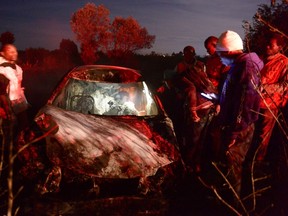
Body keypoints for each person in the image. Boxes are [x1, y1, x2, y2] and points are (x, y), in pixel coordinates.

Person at [215, 30, 264, 196]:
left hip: (241, 126)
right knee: (230, 162)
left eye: (219, 54)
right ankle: (230, 195)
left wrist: (235, 131)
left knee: (233, 162)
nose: (219, 58)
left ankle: (234, 203)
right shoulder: (239, 66)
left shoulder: (247, 68)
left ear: (228, 52)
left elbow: (245, 102)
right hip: (236, 123)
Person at [173, 45, 217, 172]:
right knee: (188, 130)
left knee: (202, 134)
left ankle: (200, 160)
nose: (188, 55)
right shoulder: (180, 65)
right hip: (186, 94)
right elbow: (176, 79)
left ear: (194, 54)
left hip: (203, 97)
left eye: (191, 53)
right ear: (183, 54)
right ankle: (187, 159)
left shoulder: (201, 65)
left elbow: (205, 79)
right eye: (186, 53)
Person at [248, 33, 288, 162]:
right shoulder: (260, 59)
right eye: (267, 44)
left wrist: (264, 87)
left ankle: (258, 162)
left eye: (271, 45)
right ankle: (246, 159)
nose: (267, 47)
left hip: (270, 105)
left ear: (280, 47)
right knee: (249, 132)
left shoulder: (284, 62)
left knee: (263, 135)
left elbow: (285, 85)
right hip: (253, 103)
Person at [0, 44, 29, 134]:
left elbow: (16, 83)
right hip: (7, 105)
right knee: (9, 129)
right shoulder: (3, 70)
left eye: (15, 50)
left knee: (23, 124)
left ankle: (21, 141)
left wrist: (19, 89)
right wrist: (4, 108)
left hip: (18, 101)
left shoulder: (16, 68)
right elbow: (1, 92)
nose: (14, 53)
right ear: (2, 54)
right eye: (10, 51)